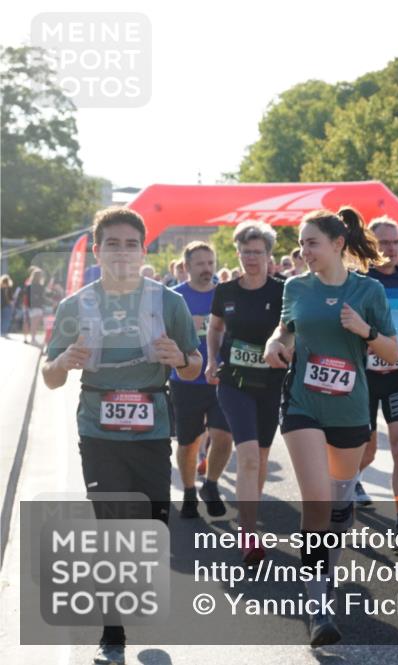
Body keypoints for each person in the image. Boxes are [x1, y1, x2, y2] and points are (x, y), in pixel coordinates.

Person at [41, 206, 201, 665]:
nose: (123, 252)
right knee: (112, 529)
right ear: (98, 250)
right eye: (113, 243)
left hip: (152, 426)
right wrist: (64, 359)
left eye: (131, 244)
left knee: (152, 524)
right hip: (98, 429)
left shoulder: (167, 302)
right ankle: (113, 636)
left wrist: (179, 359)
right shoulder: (75, 305)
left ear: (143, 250)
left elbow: (196, 367)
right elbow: (50, 377)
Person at [264, 206, 398, 647]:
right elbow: (285, 332)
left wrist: (364, 331)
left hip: (350, 410)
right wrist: (274, 343)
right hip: (302, 403)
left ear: (338, 244)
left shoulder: (369, 291)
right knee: (316, 499)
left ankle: (325, 567)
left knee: (339, 502)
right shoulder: (296, 288)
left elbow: (393, 353)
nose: (304, 252)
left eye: (312, 243)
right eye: (301, 244)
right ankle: (318, 606)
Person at [206, 221, 286, 565]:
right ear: (236, 254)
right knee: (249, 456)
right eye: (245, 252)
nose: (250, 258)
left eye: (257, 252)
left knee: (262, 458)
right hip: (233, 383)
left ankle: (250, 515)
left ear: (269, 256)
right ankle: (249, 532)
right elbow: (215, 328)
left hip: (270, 384)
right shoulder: (225, 291)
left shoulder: (283, 290)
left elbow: (294, 330)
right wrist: (211, 359)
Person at [355, 216, 398, 547]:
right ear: (371, 245)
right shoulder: (358, 281)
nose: (391, 249)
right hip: (363, 376)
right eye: (383, 243)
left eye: (396, 242)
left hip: (396, 373)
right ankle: (351, 481)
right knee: (364, 449)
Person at [170, 242, 234, 519]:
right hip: (185, 382)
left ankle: (211, 484)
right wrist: (186, 328)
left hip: (221, 380)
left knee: (223, 437)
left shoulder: (227, 295)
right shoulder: (174, 298)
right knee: (188, 443)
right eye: (200, 264)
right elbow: (158, 338)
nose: (207, 269)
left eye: (211, 263)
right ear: (186, 268)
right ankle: (187, 491)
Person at [24, 267, 49, 345]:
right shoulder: (40, 286)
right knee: (35, 324)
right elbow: (43, 297)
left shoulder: (29, 286)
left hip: (31, 307)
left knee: (32, 323)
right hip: (38, 307)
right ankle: (33, 339)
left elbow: (26, 297)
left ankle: (32, 338)